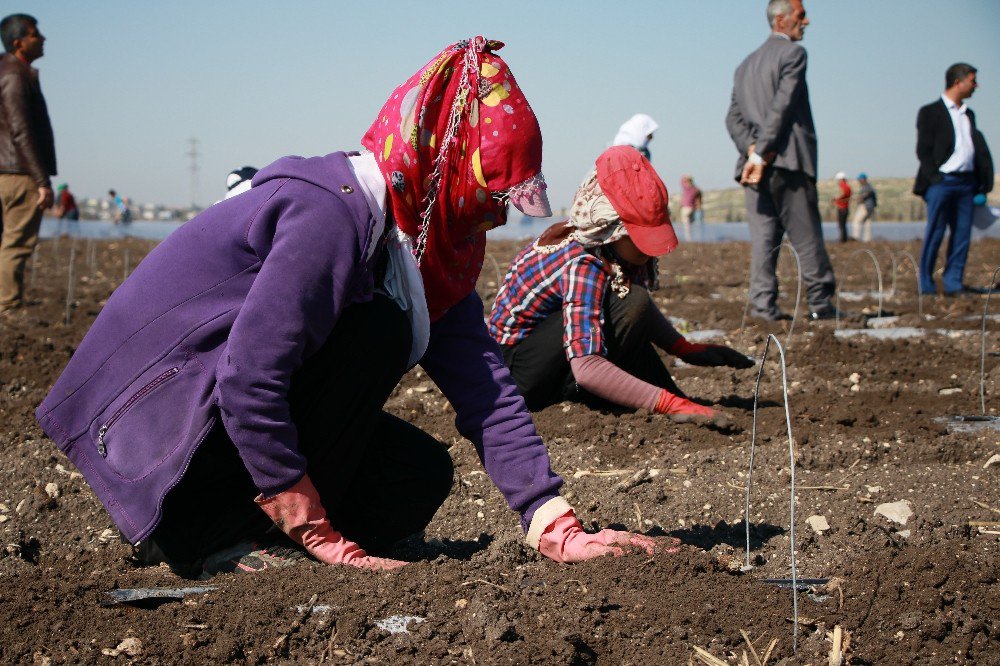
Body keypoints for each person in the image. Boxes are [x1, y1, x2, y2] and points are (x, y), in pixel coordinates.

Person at [36, 38, 664, 579]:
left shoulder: (421, 257)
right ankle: (199, 532)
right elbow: (250, 377)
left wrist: (553, 521)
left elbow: (489, 394)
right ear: (438, 169)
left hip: (220, 416)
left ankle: (252, 526)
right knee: (377, 330)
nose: (496, 216)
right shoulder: (331, 216)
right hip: (154, 427)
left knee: (416, 476)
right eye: (485, 195)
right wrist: (303, 515)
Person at [489, 146, 752, 429]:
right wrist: (668, 403)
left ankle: (633, 395)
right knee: (628, 302)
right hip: (513, 378)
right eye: (637, 236)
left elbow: (629, 307)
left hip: (545, 356)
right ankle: (576, 397)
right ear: (610, 228)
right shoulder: (583, 261)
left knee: (629, 300)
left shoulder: (608, 250)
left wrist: (682, 347)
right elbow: (588, 366)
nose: (648, 250)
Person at [725, 0, 839, 321]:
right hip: (786, 161)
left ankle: (763, 306)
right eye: (801, 15)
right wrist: (760, 151)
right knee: (806, 236)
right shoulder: (793, 55)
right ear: (781, 20)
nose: (807, 21)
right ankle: (820, 304)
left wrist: (751, 149)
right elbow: (782, 106)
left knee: (764, 239)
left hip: (754, 168)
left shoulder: (745, 65)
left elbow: (733, 118)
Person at [914, 62, 994, 296]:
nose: (976, 85)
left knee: (961, 234)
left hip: (966, 184)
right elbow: (923, 150)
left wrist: (981, 182)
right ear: (957, 82)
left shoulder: (968, 114)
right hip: (942, 183)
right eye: (972, 80)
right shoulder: (930, 112)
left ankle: (953, 284)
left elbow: (976, 149)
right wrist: (935, 178)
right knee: (935, 232)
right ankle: (926, 286)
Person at [0, 13, 54, 314]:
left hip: (9, 169)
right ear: (19, 43)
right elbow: (21, 131)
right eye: (35, 34)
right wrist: (41, 181)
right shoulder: (14, 75)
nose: (42, 38)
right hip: (17, 172)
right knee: (16, 243)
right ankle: (8, 306)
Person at [851, 172, 877, 241]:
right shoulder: (869, 186)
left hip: (865, 207)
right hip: (871, 207)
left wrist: (858, 198)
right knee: (867, 224)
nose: (859, 181)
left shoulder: (867, 187)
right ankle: (867, 240)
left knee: (856, 221)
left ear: (863, 179)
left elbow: (865, 195)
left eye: (859, 179)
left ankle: (856, 237)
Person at [678, 175, 703, 242]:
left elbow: (681, 181)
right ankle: (693, 237)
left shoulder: (686, 187)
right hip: (692, 208)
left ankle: (688, 238)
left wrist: (685, 177)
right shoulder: (695, 189)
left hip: (685, 207)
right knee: (691, 223)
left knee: (686, 223)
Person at [831, 171, 851, 243]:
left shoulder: (843, 186)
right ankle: (844, 239)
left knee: (841, 225)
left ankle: (842, 240)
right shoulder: (848, 186)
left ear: (841, 179)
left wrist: (836, 198)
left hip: (842, 208)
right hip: (845, 208)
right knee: (843, 225)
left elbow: (842, 194)